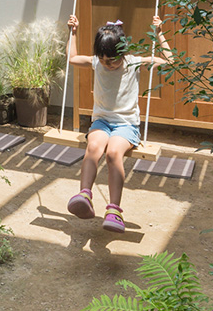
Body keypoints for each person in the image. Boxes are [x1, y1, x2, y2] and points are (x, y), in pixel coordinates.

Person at [65, 13, 172, 233]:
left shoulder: (134, 63)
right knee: (93, 147)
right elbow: (72, 58)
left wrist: (160, 35)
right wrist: (73, 33)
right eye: (103, 60)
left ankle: (114, 210)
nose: (108, 64)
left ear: (123, 52)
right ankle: (84, 195)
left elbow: (171, 62)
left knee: (114, 153)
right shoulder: (97, 62)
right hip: (102, 121)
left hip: (126, 124)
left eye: (112, 60)